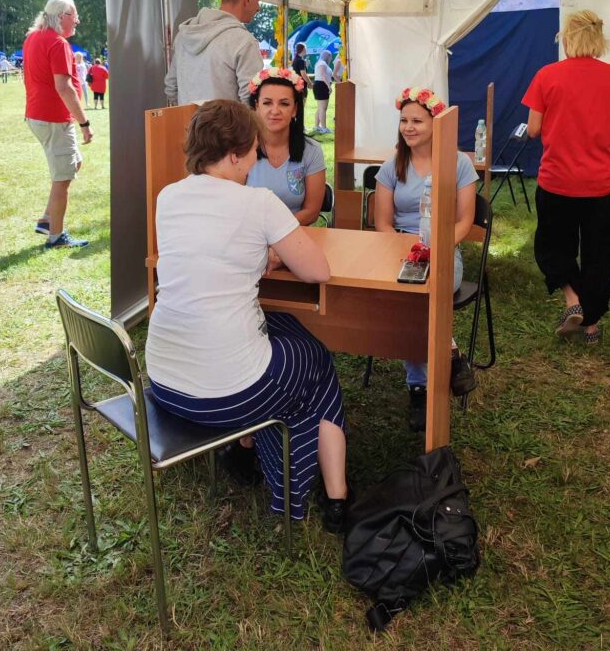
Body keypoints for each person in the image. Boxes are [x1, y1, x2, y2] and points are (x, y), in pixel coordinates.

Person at [145, 100, 350, 530]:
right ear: (235, 153)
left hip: (163, 382)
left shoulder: (167, 196)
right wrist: (270, 252)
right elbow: (318, 270)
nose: (257, 159)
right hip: (230, 394)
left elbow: (211, 255)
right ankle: (330, 497)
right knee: (316, 361)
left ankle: (246, 450)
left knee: (286, 333)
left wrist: (260, 255)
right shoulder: (258, 203)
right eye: (254, 150)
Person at [523, 10, 610, 345]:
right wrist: (608, 141)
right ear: (599, 38)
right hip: (604, 183)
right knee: (601, 251)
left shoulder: (547, 75)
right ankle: (591, 325)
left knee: (553, 245)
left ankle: (572, 299)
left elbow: (532, 129)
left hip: (557, 180)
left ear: (567, 38)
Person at [375, 87, 478, 432]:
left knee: (423, 292)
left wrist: (439, 246)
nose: (409, 127)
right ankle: (449, 355)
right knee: (411, 292)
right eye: (404, 120)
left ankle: (418, 387)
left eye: (417, 120)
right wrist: (404, 250)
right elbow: (383, 224)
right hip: (400, 251)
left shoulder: (458, 162)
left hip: (445, 249)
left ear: (436, 123)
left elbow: (465, 220)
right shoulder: (392, 166)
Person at [23, 0, 93, 249]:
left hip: (37, 115)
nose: (77, 20)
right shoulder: (58, 43)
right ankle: (56, 236)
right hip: (53, 118)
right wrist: (84, 123)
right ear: (61, 16)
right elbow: (64, 88)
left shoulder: (33, 37)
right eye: (74, 15)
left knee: (73, 163)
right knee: (63, 177)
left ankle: (47, 219)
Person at [164, 0, 263, 105]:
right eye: (258, 0)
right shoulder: (244, 42)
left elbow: (171, 88)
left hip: (189, 125)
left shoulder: (183, 36)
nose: (258, 8)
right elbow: (251, 100)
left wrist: (191, 118)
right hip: (229, 126)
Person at [247, 67, 326, 227]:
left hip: (295, 235)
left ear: (295, 109)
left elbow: (311, 211)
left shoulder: (312, 151)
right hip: (251, 236)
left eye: (284, 104)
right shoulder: (241, 149)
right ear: (256, 107)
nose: (275, 111)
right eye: (267, 103)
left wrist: (278, 232)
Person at [312, 50, 333, 134]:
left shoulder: (320, 63)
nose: (331, 59)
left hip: (320, 85)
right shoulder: (322, 63)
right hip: (322, 85)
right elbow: (323, 75)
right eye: (330, 56)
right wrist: (329, 86)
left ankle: (317, 126)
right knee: (323, 108)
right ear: (327, 56)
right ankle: (324, 128)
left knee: (320, 108)